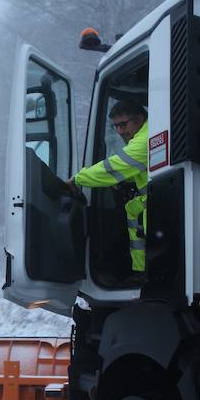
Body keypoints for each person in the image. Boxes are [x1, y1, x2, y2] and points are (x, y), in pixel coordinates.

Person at [67, 99, 149, 274]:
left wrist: (77, 179)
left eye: (123, 124)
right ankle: (142, 272)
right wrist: (126, 181)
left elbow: (112, 168)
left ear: (140, 118)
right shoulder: (150, 134)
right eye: (116, 126)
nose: (120, 131)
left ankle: (144, 273)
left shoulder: (144, 141)